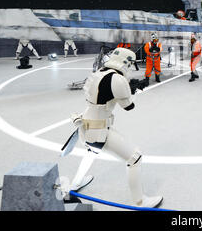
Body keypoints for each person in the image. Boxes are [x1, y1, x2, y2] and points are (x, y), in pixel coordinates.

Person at [65, 47, 162, 208]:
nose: (130, 67)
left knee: (91, 152)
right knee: (135, 158)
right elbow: (129, 106)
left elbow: (102, 94)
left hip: (85, 126)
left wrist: (128, 89)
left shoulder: (99, 72)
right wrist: (133, 91)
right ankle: (140, 201)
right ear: (125, 62)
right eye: (130, 64)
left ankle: (76, 183)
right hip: (99, 129)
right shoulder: (117, 79)